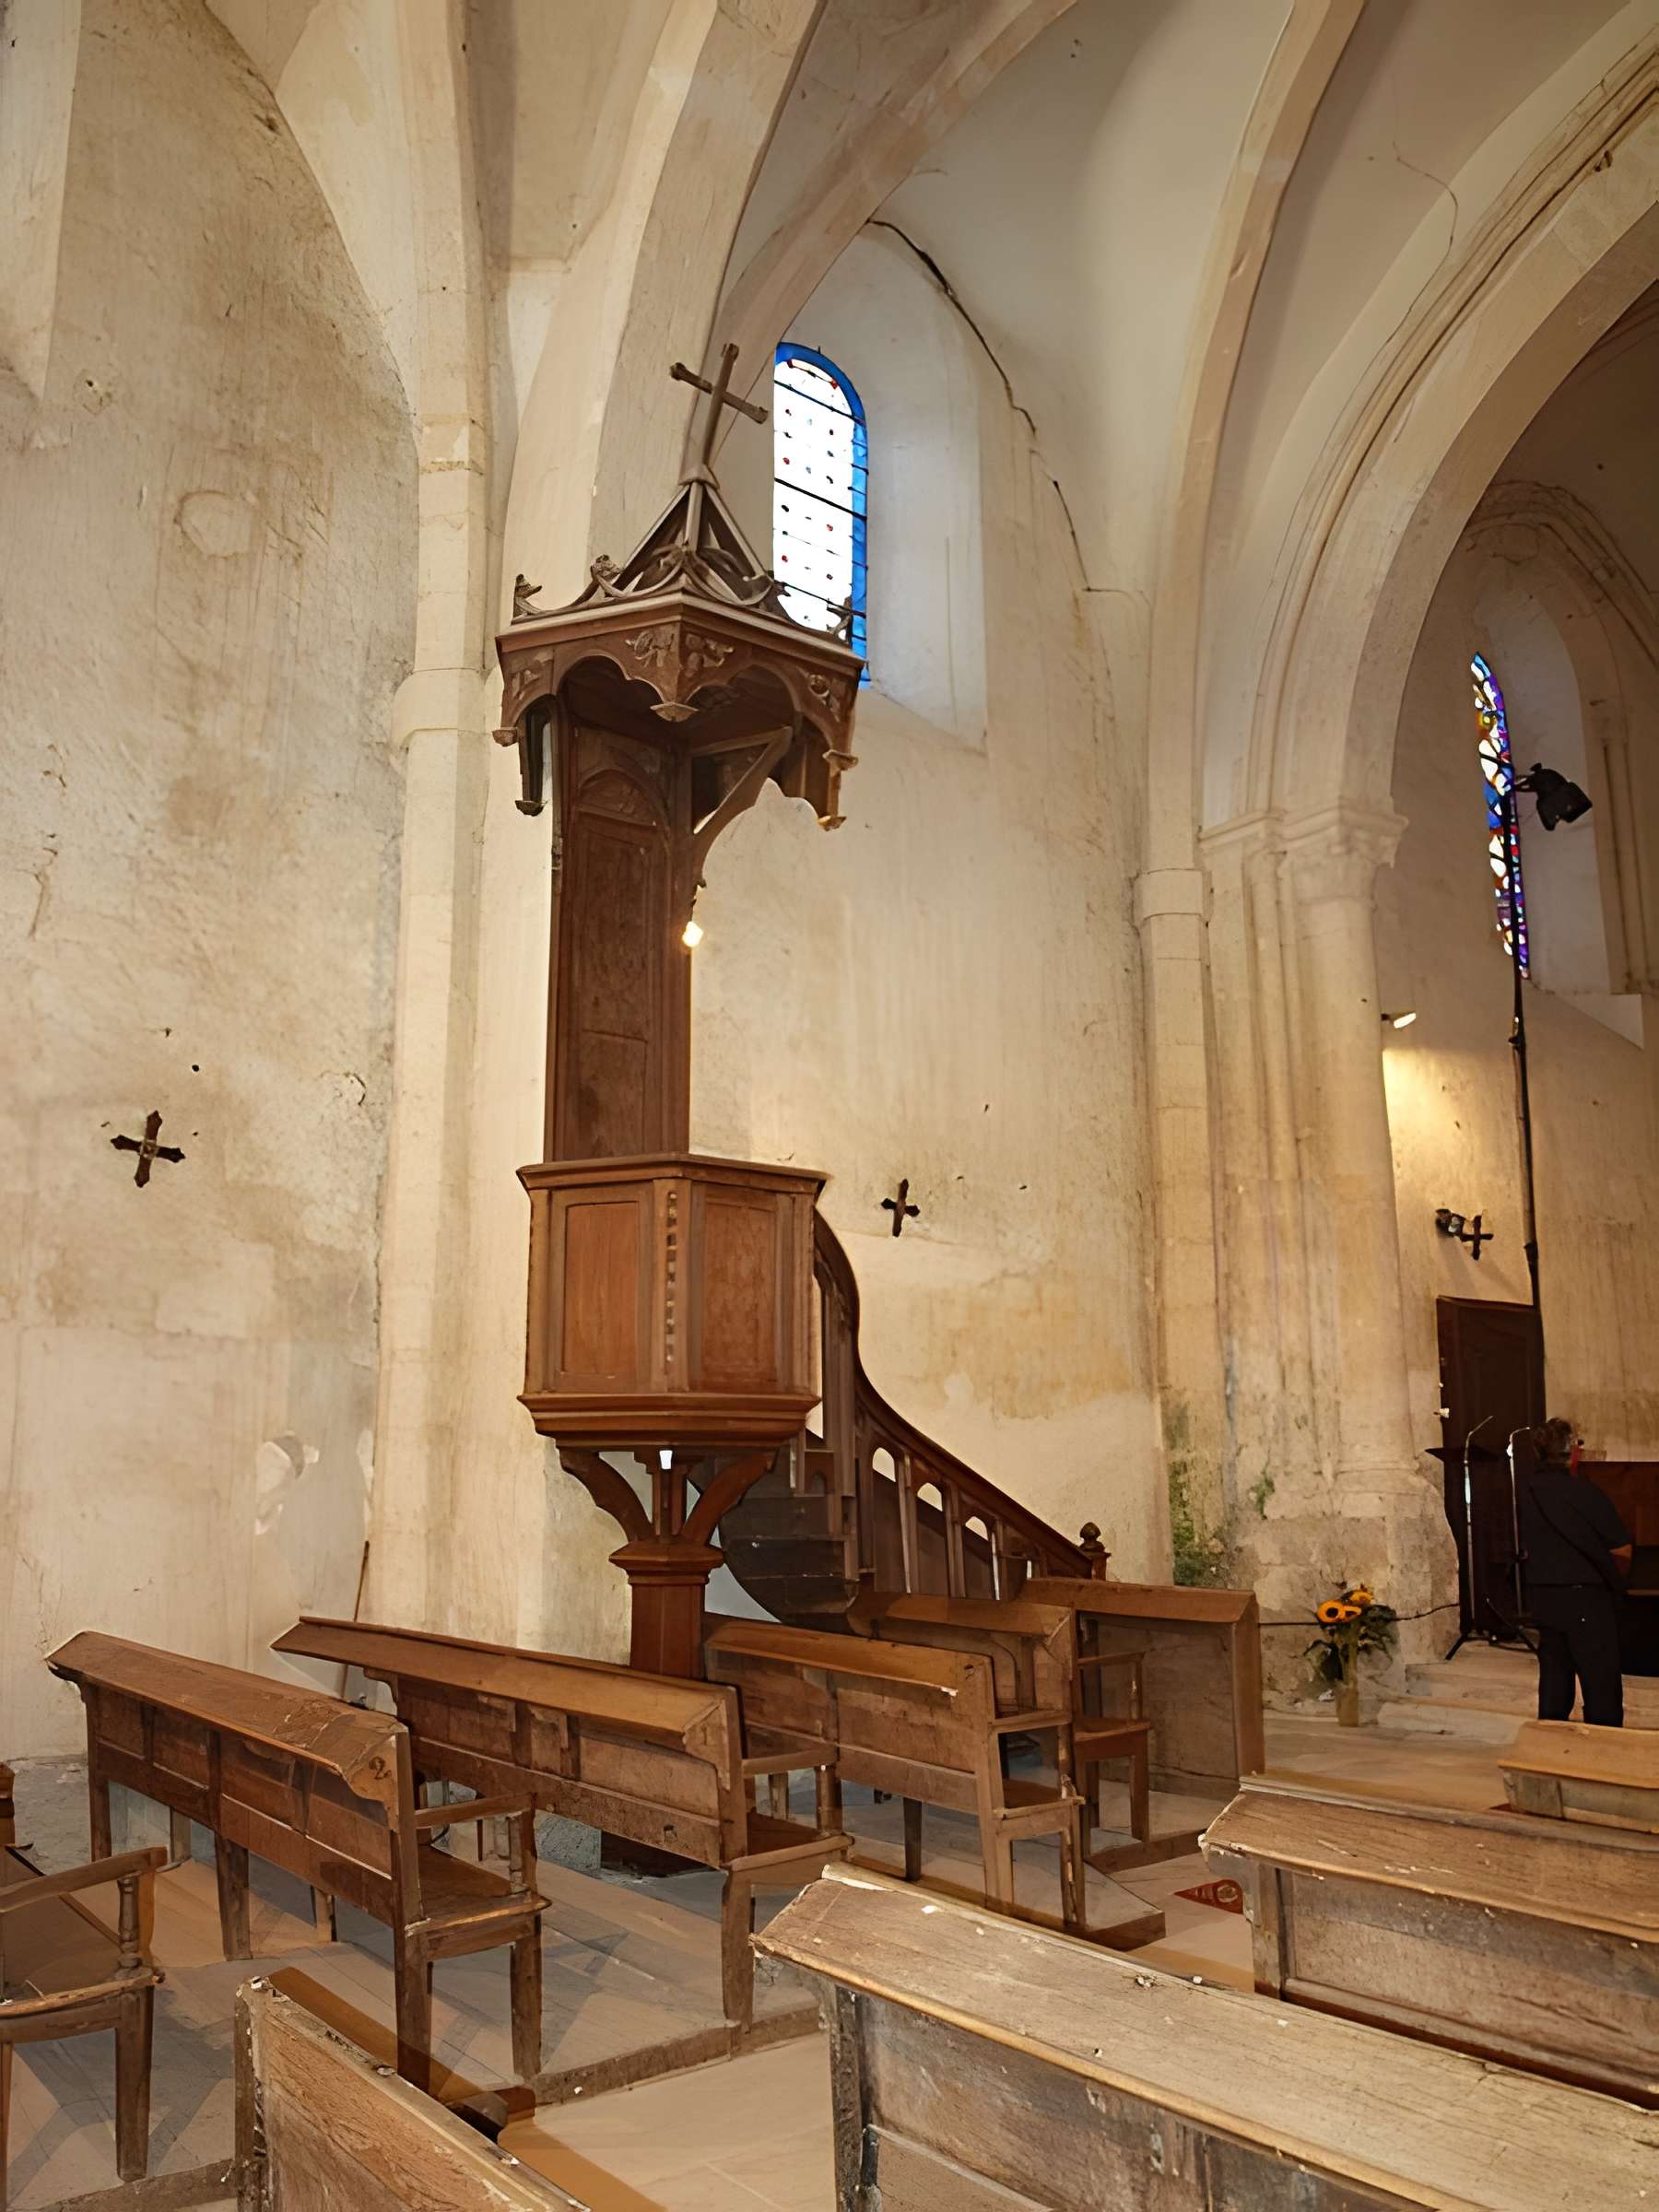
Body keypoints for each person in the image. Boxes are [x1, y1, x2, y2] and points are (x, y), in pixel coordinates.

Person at [1518, 1418, 1632, 1727]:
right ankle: (1600, 1758)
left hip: (1544, 1599)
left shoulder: (1526, 1492)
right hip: (1586, 1601)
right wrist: (1614, 1582)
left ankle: (1553, 1755)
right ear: (1572, 1452)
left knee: (1555, 1685)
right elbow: (1621, 1550)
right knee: (1601, 1688)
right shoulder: (1587, 1493)